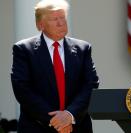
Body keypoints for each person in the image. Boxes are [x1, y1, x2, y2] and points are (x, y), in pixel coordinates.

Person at [10, 0, 99, 133]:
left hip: (77, 126)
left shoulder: (83, 48)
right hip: (37, 127)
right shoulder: (24, 49)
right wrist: (56, 121)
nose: (61, 23)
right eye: (54, 19)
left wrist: (69, 115)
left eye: (62, 17)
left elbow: (90, 84)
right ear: (40, 25)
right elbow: (22, 89)